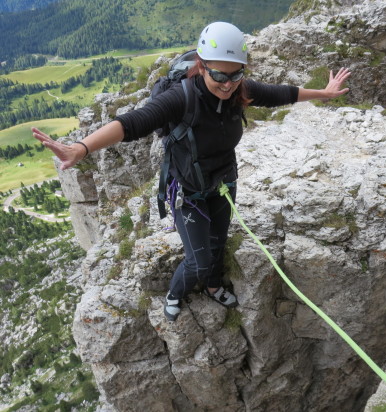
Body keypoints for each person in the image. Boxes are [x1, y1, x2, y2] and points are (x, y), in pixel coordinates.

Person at [32, 22, 351, 322]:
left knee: (218, 242)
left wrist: (324, 93)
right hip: (188, 192)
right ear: (201, 65)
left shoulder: (240, 90)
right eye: (218, 75)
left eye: (235, 75)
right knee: (197, 259)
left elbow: (281, 93)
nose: (226, 84)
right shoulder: (181, 99)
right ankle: (175, 293)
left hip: (224, 183)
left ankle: (213, 286)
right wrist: (81, 148)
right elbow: (134, 123)